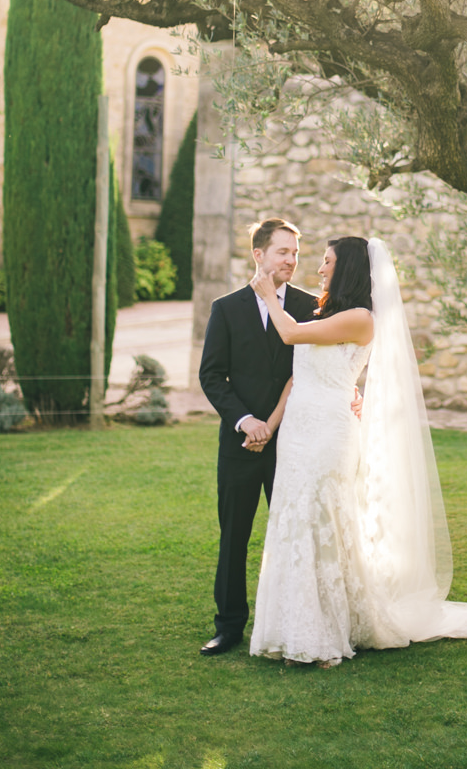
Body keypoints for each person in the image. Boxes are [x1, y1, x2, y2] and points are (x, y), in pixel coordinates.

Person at [249, 235, 467, 667]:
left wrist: (268, 296)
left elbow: (289, 335)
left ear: (350, 269)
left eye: (327, 262)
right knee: (293, 522)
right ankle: (292, 627)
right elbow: (304, 373)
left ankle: (325, 634)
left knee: (323, 524)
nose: (319, 269)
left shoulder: (361, 317)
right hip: (300, 432)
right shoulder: (330, 313)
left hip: (328, 435)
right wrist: (274, 423)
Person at [198, 217, 317, 657]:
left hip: (294, 443)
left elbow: (312, 373)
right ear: (259, 255)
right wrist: (247, 421)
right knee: (234, 537)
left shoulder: (310, 306)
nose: (292, 260)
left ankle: (292, 621)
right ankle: (228, 626)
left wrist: (275, 423)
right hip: (240, 444)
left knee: (293, 535)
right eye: (283, 252)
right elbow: (211, 376)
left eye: (295, 253)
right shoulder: (226, 308)